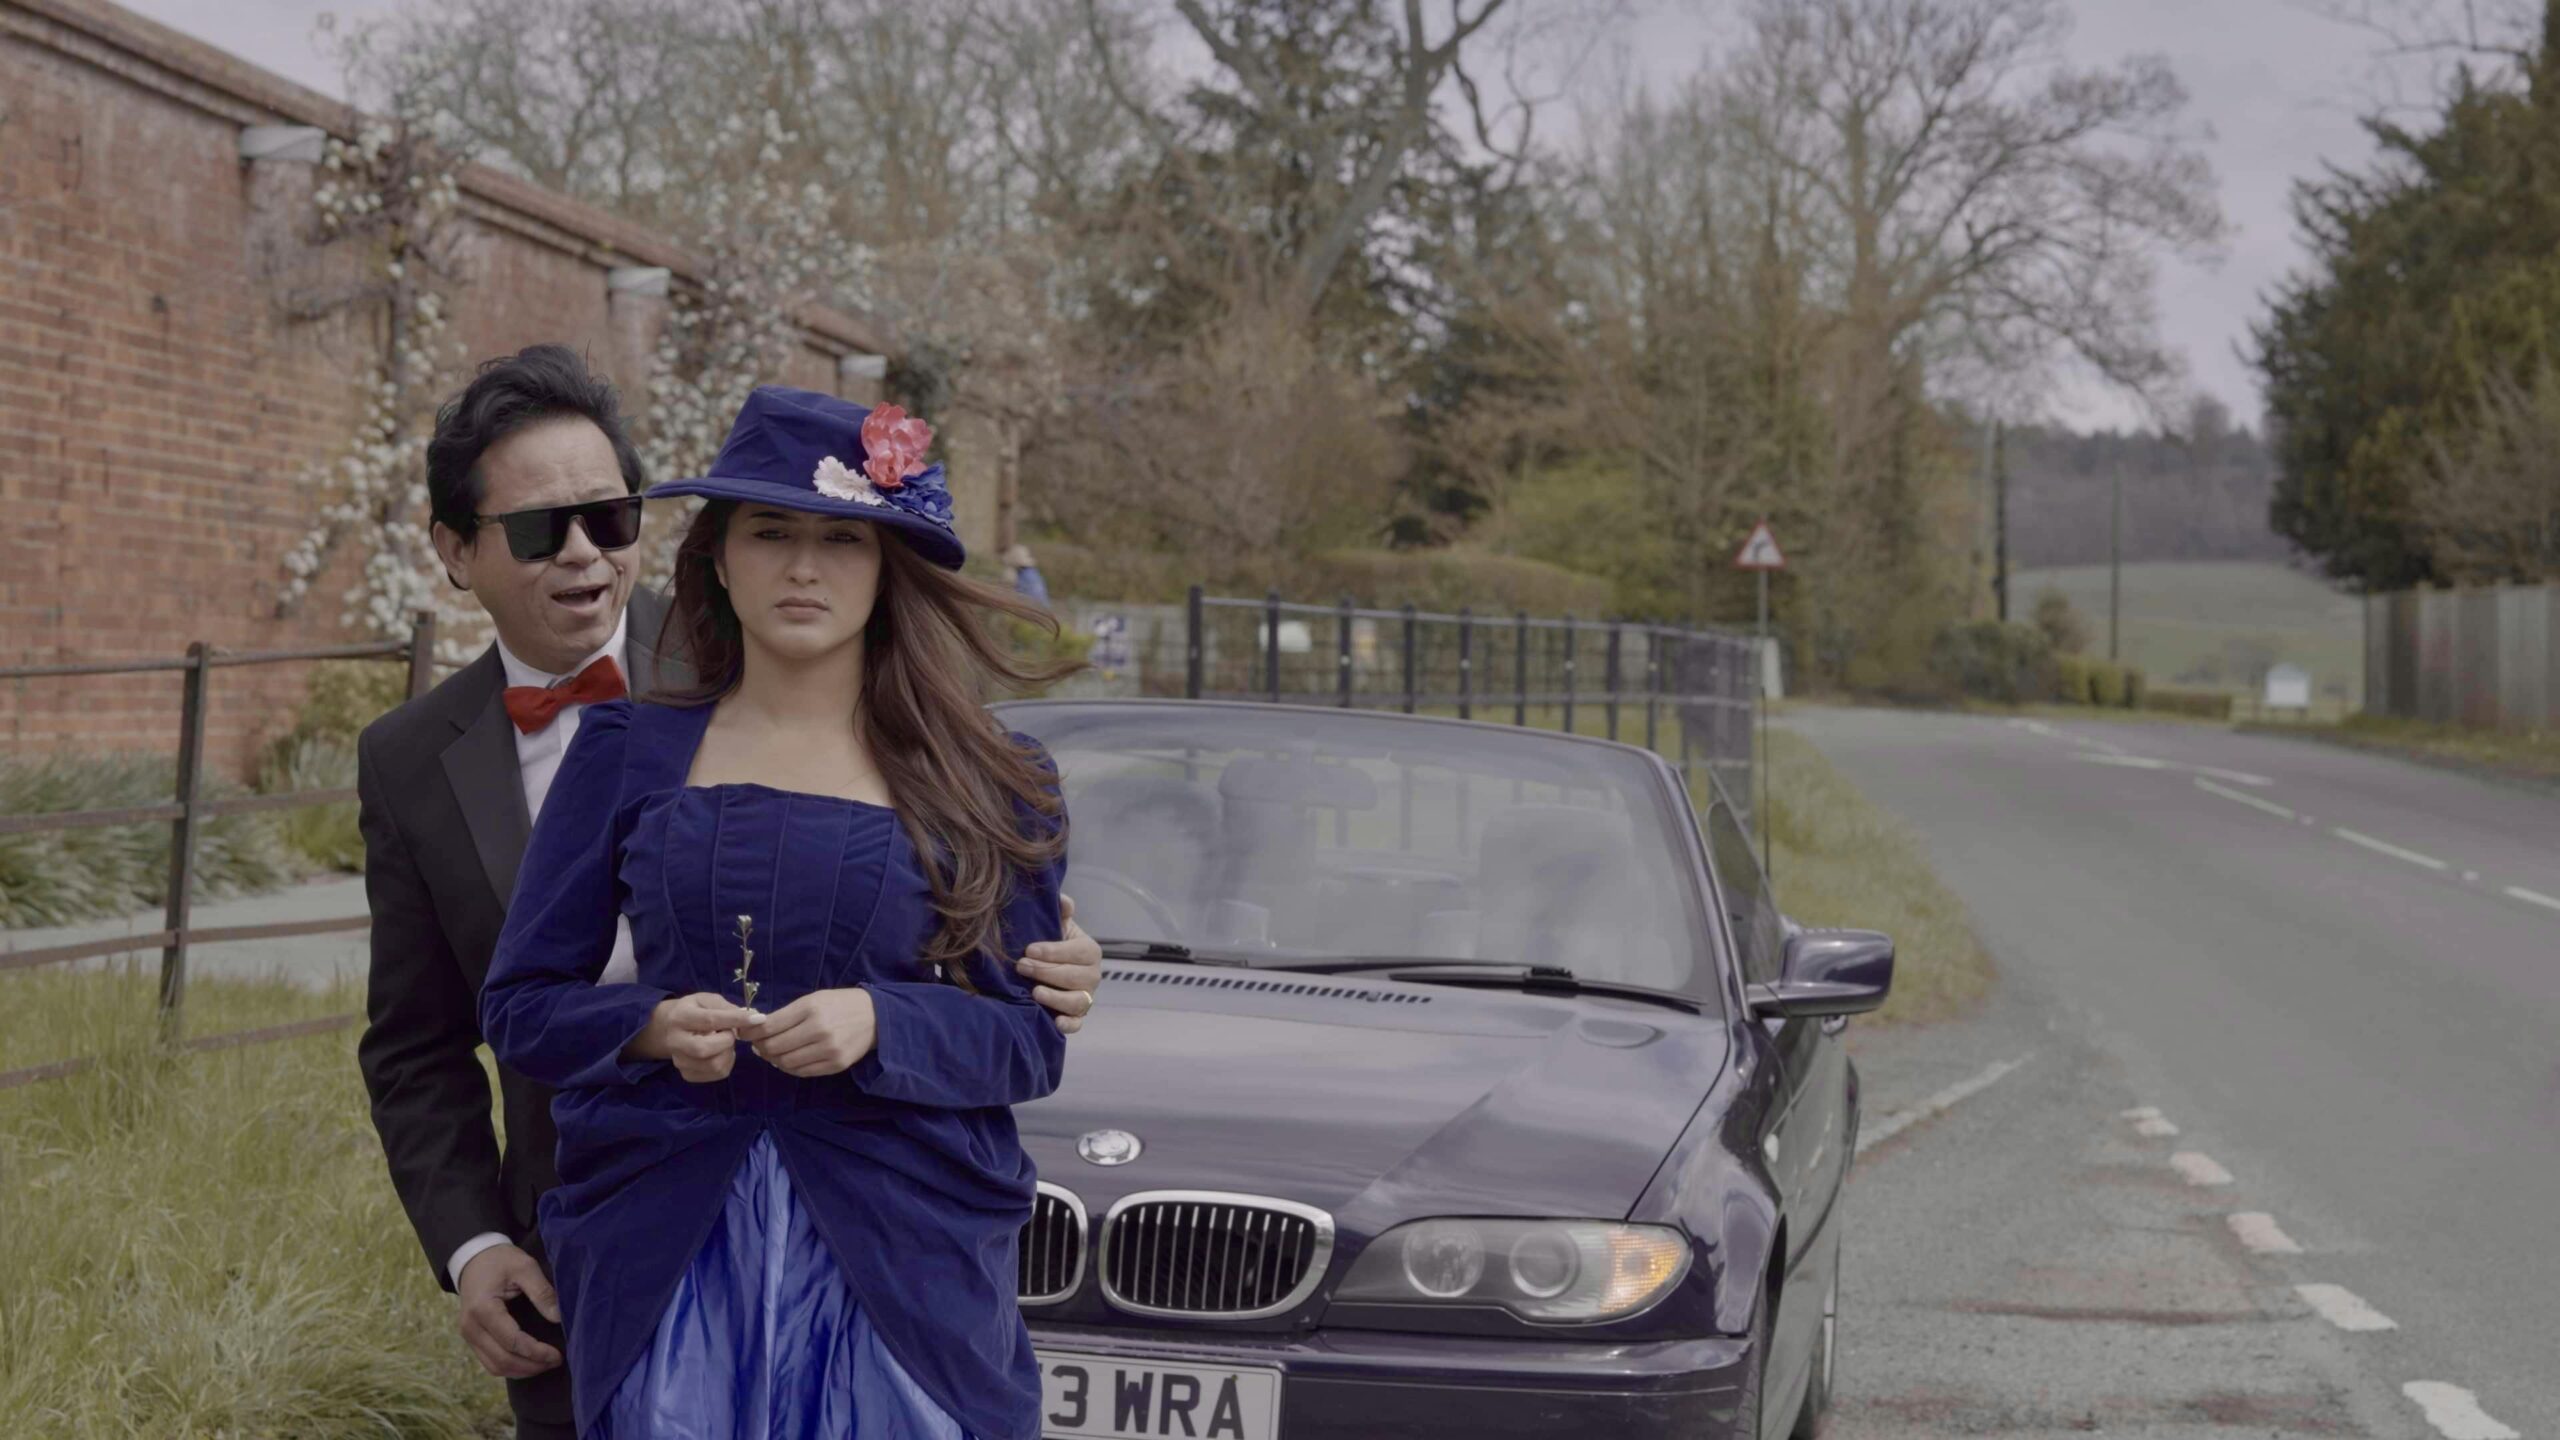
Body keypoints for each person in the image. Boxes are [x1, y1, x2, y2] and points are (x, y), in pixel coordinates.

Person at [355, 349, 1105, 1440]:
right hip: (654, 1254)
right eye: (770, 534)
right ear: (719, 555)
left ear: (887, 563)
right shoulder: (623, 747)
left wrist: (883, 1019)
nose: (803, 569)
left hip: (900, 1265)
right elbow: (478, 1017)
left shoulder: (995, 775)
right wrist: (648, 1028)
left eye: (841, 539)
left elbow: (1025, 1042)